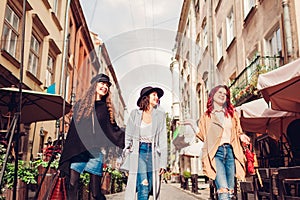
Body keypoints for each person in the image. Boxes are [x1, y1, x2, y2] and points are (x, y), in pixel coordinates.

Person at [59, 73, 125, 200]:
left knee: (96, 192)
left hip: (95, 152)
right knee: (72, 185)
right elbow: (73, 130)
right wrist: (67, 153)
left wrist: (128, 137)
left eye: (107, 85)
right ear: (94, 85)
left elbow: (113, 130)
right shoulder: (81, 105)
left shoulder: (106, 108)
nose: (104, 87)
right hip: (79, 151)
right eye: (102, 83)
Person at [196, 85, 250, 200]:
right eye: (220, 92)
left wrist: (242, 136)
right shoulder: (206, 116)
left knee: (230, 191)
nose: (222, 95)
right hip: (216, 154)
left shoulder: (232, 114)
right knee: (223, 190)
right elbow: (202, 135)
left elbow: (238, 131)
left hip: (231, 152)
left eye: (225, 94)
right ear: (213, 95)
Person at [124, 86, 168, 200]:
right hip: (139, 151)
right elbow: (128, 135)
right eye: (154, 95)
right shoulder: (135, 114)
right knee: (144, 185)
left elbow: (163, 140)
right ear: (146, 97)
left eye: (157, 96)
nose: (157, 97)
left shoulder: (160, 117)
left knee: (150, 187)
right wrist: (127, 155)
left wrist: (163, 163)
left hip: (154, 153)